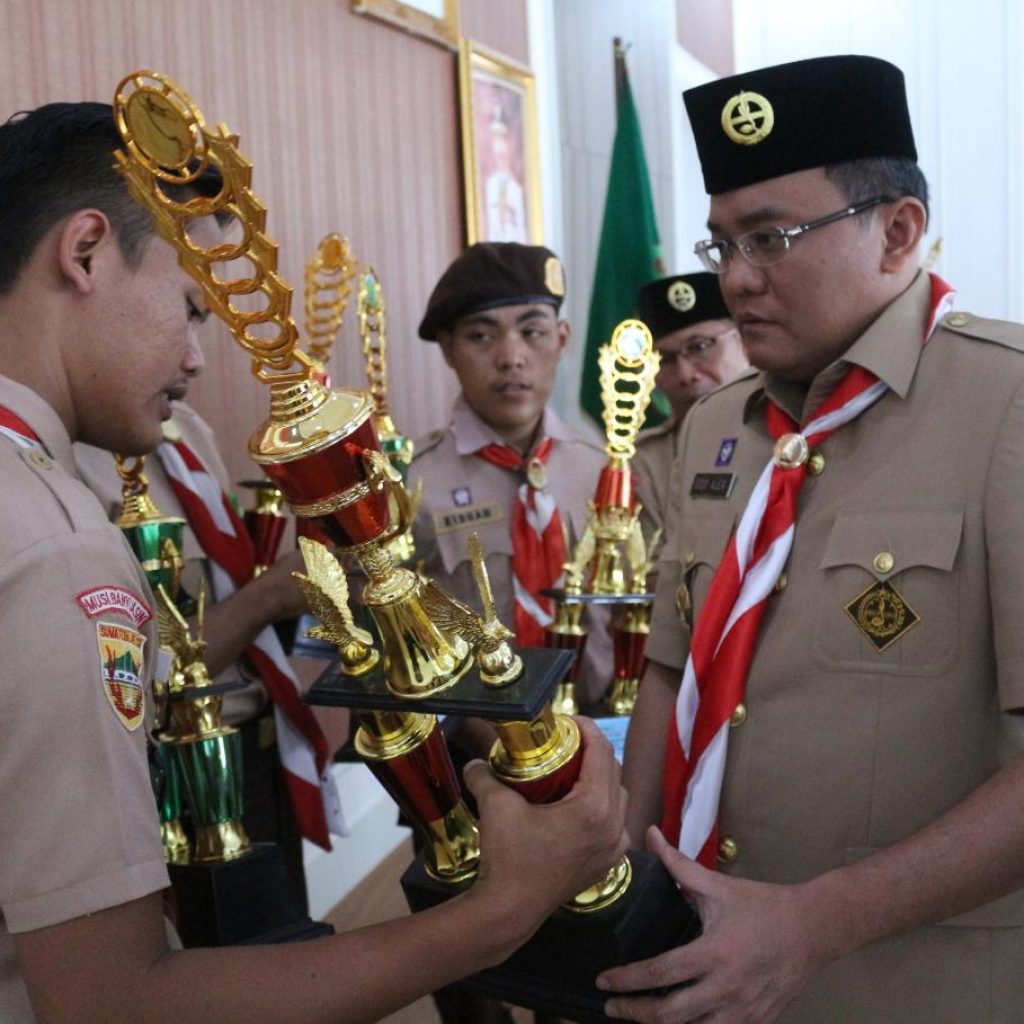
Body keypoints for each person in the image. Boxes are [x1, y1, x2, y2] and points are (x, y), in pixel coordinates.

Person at [0, 100, 628, 1023]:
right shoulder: (51, 543)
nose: (196, 357)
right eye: (188, 308)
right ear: (86, 252)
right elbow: (108, 1001)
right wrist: (503, 911)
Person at [604, 55, 1024, 1022]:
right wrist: (620, 884)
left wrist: (816, 924)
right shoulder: (716, 426)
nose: (737, 280)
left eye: (774, 238)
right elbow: (673, 671)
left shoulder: (1002, 409)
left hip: (905, 984)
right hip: (702, 970)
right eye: (722, 246)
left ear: (899, 232)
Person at [76, 399, 323, 903]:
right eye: (179, 317)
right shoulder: (61, 461)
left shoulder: (184, 427)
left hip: (252, 753)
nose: (196, 354)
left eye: (197, 320)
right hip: (171, 795)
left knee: (282, 952)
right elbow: (124, 679)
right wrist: (270, 595)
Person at [410, 241, 612, 709]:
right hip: (470, 735)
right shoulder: (409, 481)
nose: (511, 357)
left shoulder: (604, 469)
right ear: (448, 349)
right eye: (481, 336)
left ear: (563, 339)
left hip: (599, 726)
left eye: (532, 331)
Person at [632, 271, 748, 532]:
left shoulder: (790, 438)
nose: (685, 375)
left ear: (744, 342)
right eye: (665, 359)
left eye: (701, 347)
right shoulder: (645, 461)